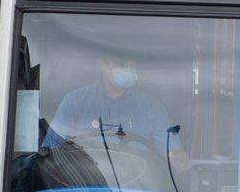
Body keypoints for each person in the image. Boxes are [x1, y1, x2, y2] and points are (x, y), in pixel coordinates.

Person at [46, 54, 181, 160]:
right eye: (121, 64)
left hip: (139, 189)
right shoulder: (74, 103)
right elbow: (50, 154)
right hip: (84, 187)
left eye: (132, 65)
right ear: (102, 64)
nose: (127, 69)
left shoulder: (152, 108)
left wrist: (177, 158)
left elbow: (173, 154)